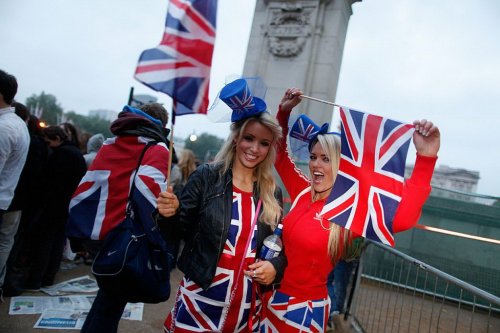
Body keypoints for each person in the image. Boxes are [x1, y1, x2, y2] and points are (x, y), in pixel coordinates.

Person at [260, 88, 441, 332]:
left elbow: (403, 218)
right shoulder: (304, 190)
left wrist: (426, 158)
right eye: (313, 156)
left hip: (303, 313)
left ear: (342, 166)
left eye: (326, 159)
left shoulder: (350, 211)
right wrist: (284, 112)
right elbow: (279, 155)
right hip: (269, 300)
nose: (316, 164)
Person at [157, 78, 287, 332]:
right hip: (200, 301)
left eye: (264, 143)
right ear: (236, 138)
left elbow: (278, 245)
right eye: (249, 138)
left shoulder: (272, 192)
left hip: (246, 309)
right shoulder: (206, 177)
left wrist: (275, 266)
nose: (254, 149)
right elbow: (174, 234)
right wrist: (168, 215)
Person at [69, 103, 177, 333]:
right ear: (162, 125)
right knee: (110, 304)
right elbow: (148, 197)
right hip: (124, 238)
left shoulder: (112, 143)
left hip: (98, 231)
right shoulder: (157, 149)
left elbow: (87, 187)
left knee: (108, 298)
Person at [22, 125, 86, 291]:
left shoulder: (62, 154)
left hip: (54, 206)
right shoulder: (76, 153)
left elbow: (50, 182)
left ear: (57, 139)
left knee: (46, 242)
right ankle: (48, 277)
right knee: (57, 242)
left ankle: (36, 279)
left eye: (49, 141)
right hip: (67, 206)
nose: (47, 145)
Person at [0, 70, 30, 300]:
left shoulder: (5, 127)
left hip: (4, 199)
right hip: (9, 198)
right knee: (4, 245)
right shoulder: (18, 124)